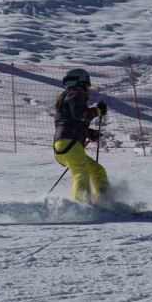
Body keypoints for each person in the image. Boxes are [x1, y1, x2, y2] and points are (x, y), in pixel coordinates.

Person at [53, 68, 109, 204]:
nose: (88, 88)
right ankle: (82, 206)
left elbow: (69, 121)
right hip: (68, 143)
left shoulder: (66, 94)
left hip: (63, 143)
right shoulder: (76, 92)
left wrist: (88, 133)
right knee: (81, 173)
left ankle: (105, 202)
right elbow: (78, 114)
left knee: (97, 170)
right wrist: (98, 111)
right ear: (82, 81)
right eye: (88, 84)